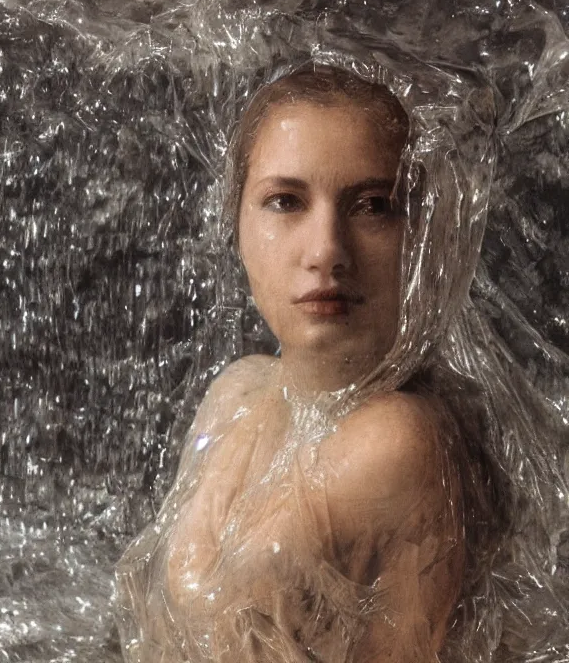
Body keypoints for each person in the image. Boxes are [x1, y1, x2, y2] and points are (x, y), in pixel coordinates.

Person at [115, 63, 484, 662]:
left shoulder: (397, 440)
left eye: (371, 205)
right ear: (234, 222)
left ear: (420, 235)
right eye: (285, 201)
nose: (326, 252)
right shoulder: (237, 393)